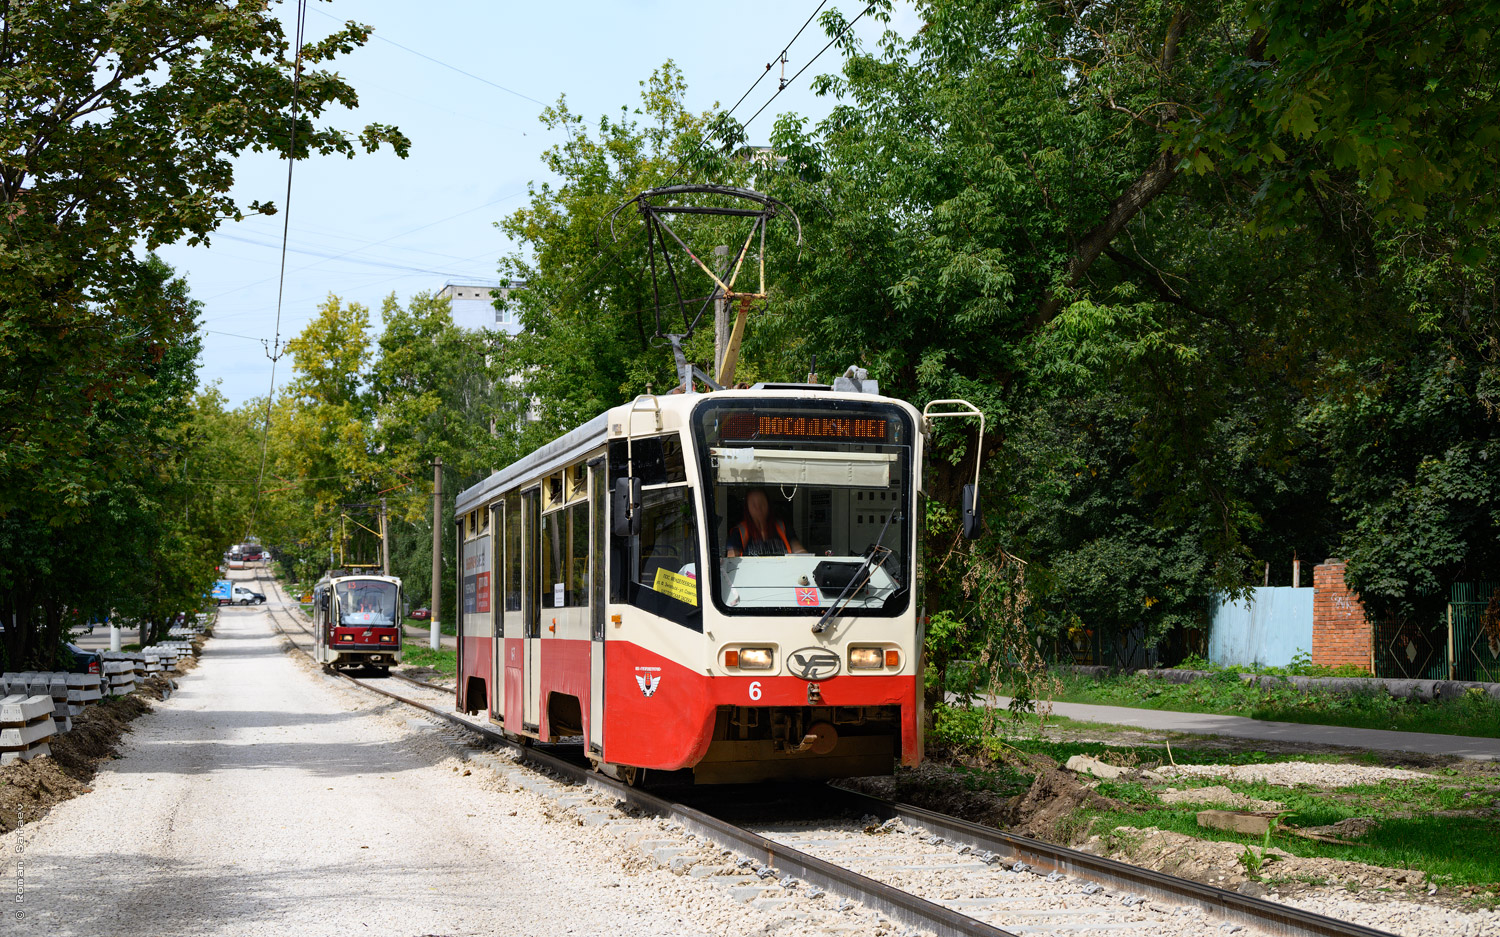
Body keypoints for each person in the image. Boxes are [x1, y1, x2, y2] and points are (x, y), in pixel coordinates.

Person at [726, 488, 809, 557]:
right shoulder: (739, 532)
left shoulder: (783, 527)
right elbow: (732, 561)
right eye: (753, 504)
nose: (758, 508)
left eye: (762, 503)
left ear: (768, 504)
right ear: (747, 508)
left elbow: (800, 552)